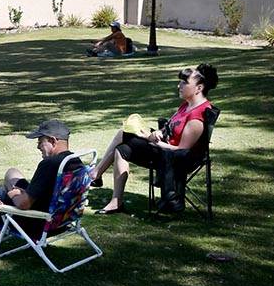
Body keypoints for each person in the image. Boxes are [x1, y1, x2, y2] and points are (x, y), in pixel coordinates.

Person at [90, 64, 218, 214]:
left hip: (175, 159)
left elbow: (182, 151)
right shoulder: (186, 106)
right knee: (122, 149)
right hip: (163, 149)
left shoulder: (198, 116)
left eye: (184, 82)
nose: (179, 86)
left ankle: (95, 174)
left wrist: (153, 140)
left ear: (199, 88)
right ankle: (115, 202)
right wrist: (158, 133)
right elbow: (171, 129)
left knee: (124, 134)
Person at [0, 120, 81, 255]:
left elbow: (23, 204)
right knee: (12, 173)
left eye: (40, 141)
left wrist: (13, 193)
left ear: (53, 141)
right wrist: (24, 192)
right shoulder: (75, 162)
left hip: (36, 222)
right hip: (60, 220)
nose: (38, 146)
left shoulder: (49, 164)